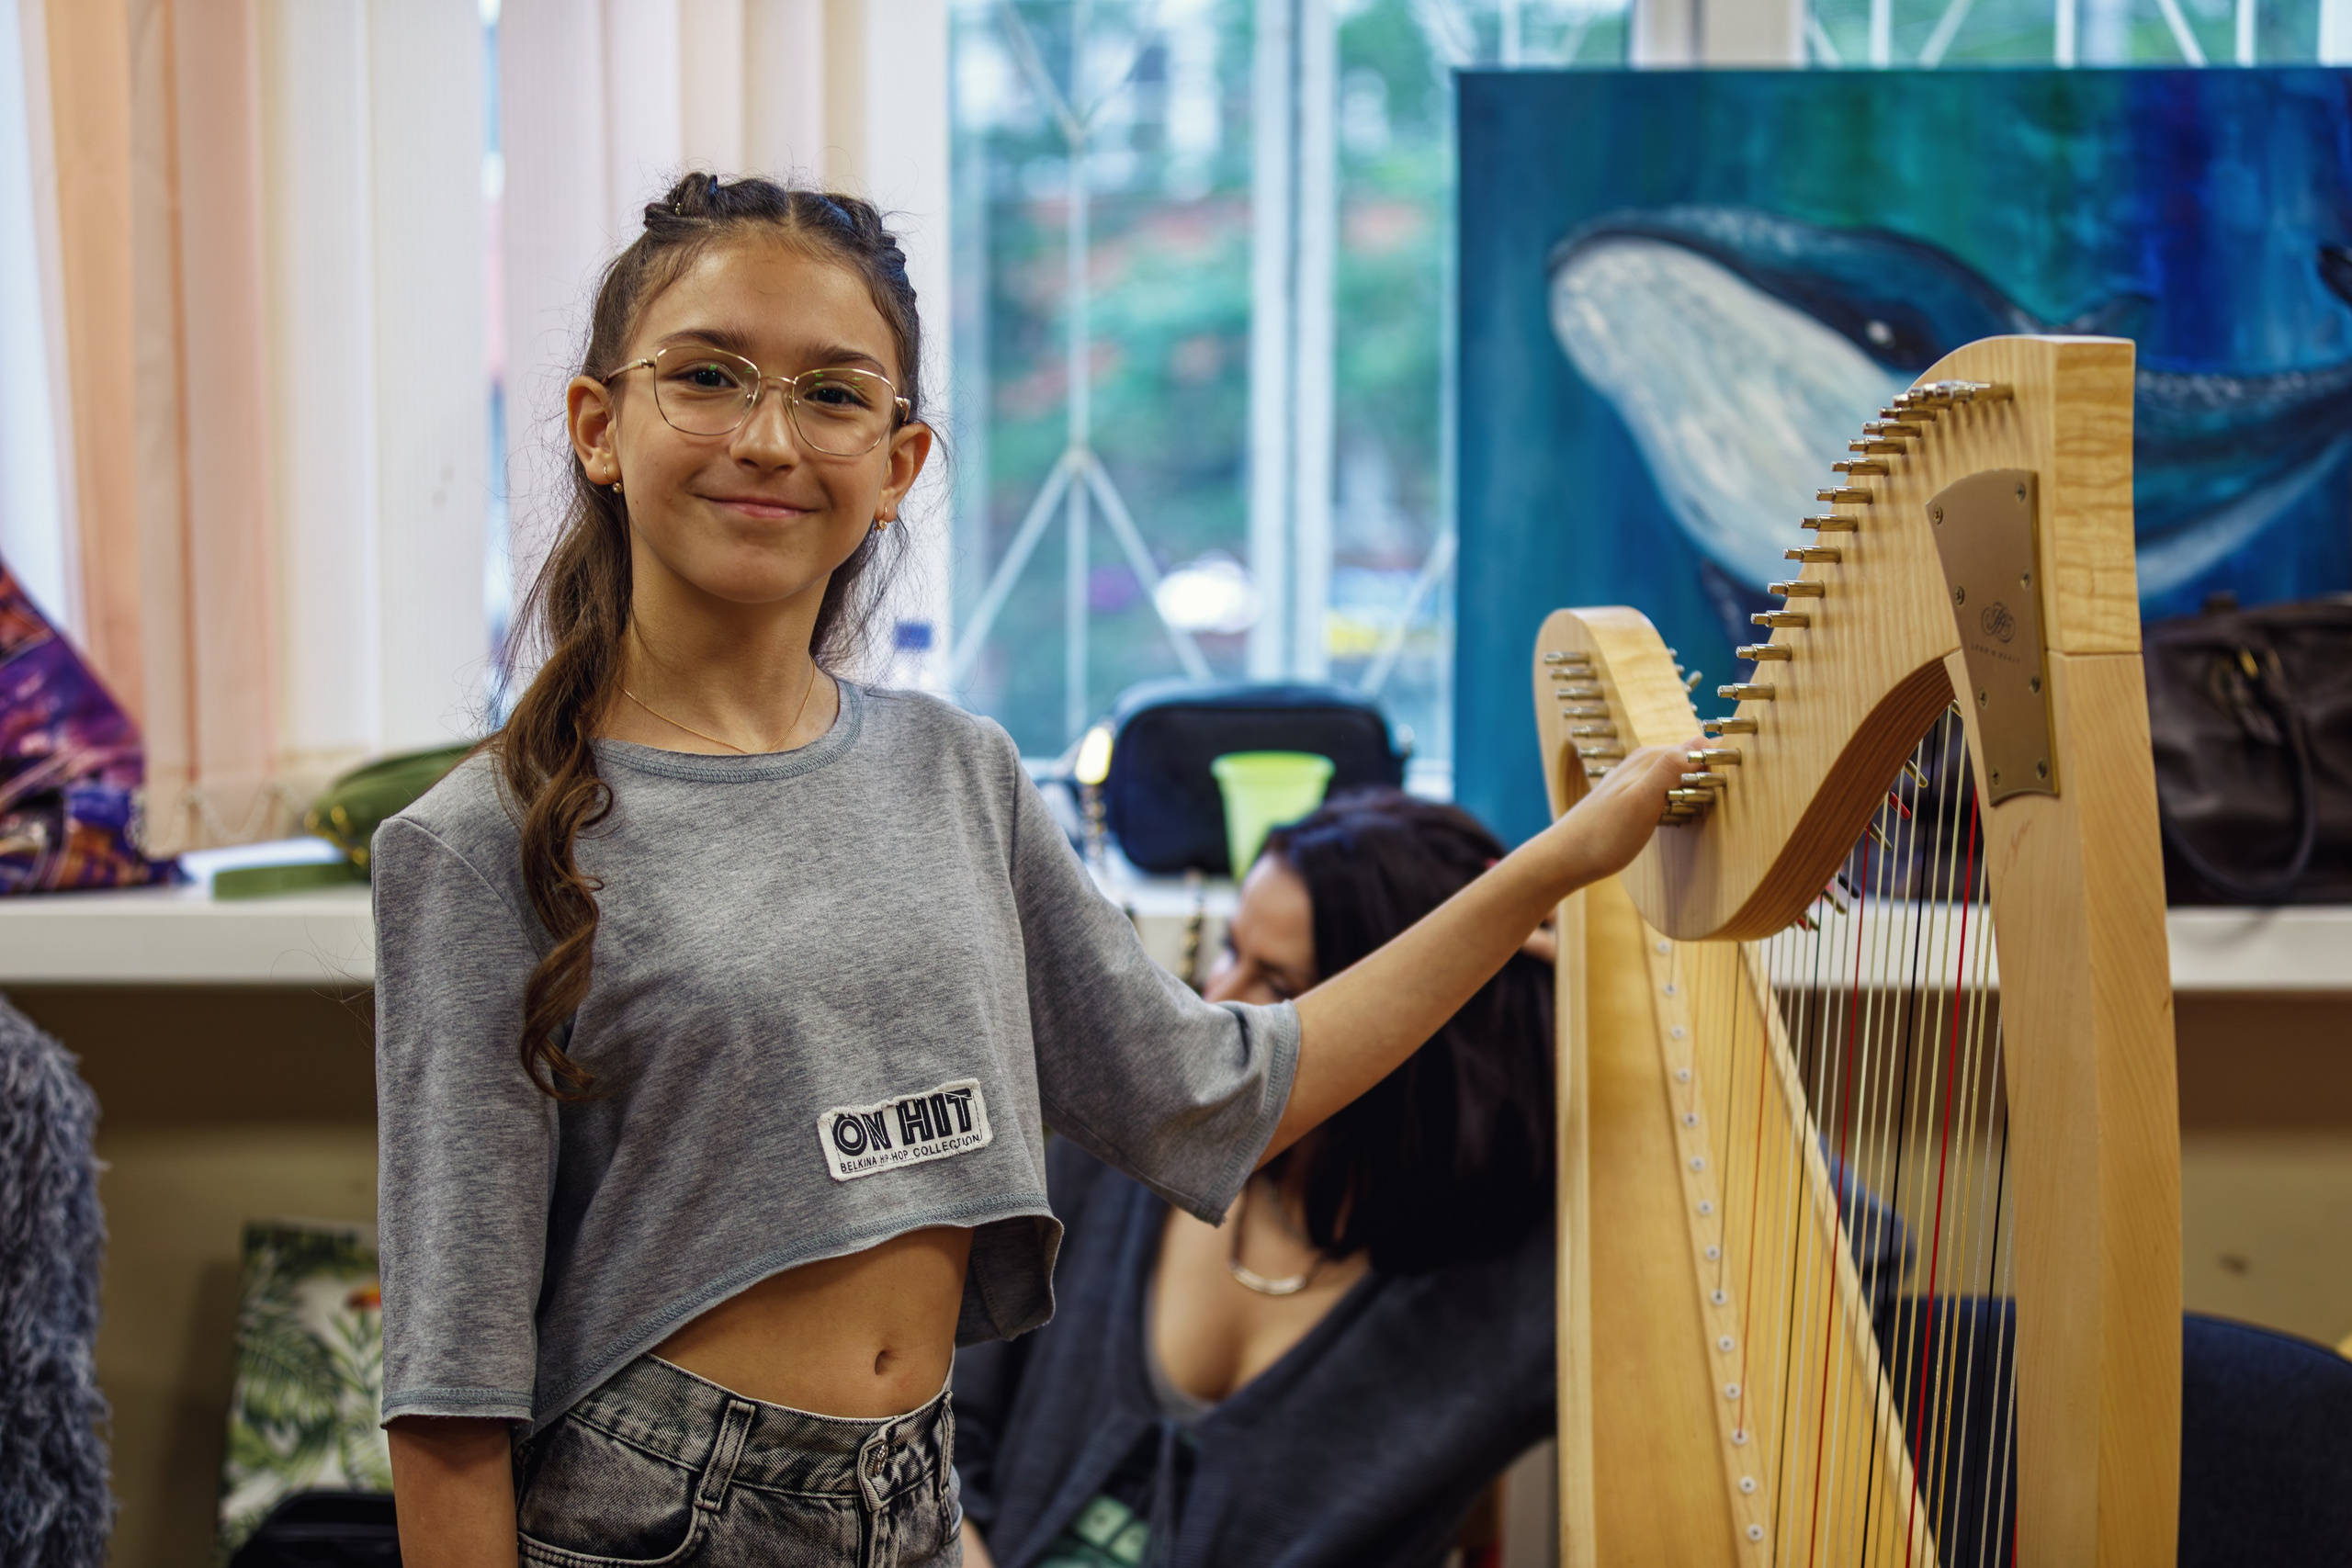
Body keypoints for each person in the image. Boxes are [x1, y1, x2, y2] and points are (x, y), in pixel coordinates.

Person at [371, 174, 1686, 1568]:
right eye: (706, 376)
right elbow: (449, 1380)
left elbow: (1215, 1086)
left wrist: (1549, 869)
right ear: (598, 427)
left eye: (832, 394)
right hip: (654, 1517)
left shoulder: (963, 773)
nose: (767, 436)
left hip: (921, 1502)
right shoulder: (477, 843)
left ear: (899, 464)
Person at [954, 790, 1559, 1568]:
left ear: (1406, 1032)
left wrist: (1597, 993)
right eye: (1229, 951)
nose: (1217, 1004)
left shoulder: (1502, 1290)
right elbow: (943, 1430)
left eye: (1273, 983)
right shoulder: (1125, 1146)